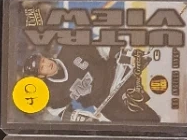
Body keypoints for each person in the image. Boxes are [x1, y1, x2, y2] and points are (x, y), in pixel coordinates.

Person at [23, 47, 159, 123]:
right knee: (148, 121)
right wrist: (79, 117)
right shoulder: (53, 93)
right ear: (40, 76)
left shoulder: (70, 50)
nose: (47, 64)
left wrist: (129, 57)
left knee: (133, 101)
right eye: (42, 67)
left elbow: (101, 48)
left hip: (116, 75)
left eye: (43, 60)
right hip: (104, 103)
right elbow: (60, 112)